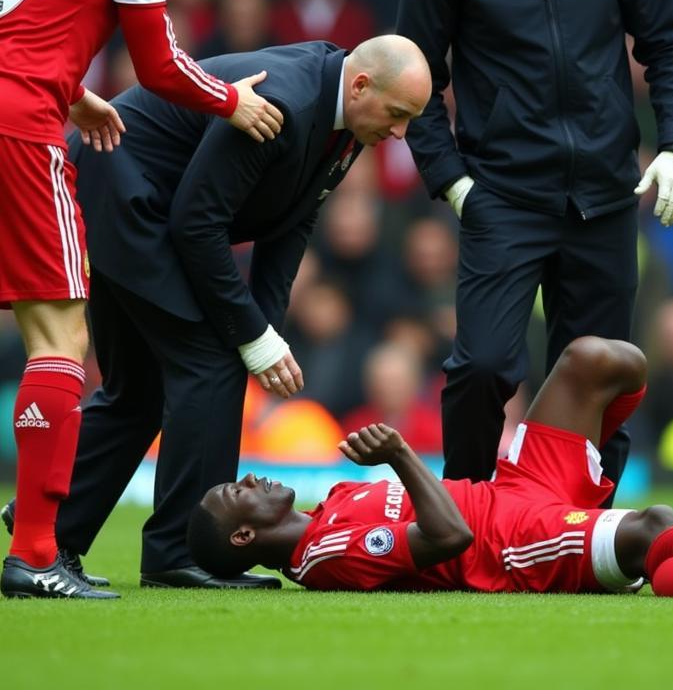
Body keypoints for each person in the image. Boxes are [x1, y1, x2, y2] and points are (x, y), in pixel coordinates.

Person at [2, 36, 431, 597]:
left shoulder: (348, 121)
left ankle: (49, 528)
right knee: (212, 363)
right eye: (397, 115)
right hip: (126, 201)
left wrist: (267, 333)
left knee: (140, 390)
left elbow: (291, 223)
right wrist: (249, 337)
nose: (399, 133)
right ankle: (179, 551)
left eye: (409, 121)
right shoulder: (287, 102)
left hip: (143, 205)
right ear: (360, 86)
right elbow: (196, 223)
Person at [0, 0, 285, 601]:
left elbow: (19, 28)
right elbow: (159, 65)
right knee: (60, 335)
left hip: (22, 105)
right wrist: (230, 100)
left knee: (50, 333)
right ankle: (34, 555)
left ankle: (41, 541)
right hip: (19, 133)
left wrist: (79, 95)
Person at [395, 0, 673, 493]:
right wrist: (453, 181)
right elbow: (411, 80)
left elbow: (669, 43)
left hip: (605, 194)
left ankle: (582, 525)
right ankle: (468, 510)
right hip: (501, 195)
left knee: (599, 371)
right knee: (482, 368)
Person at [189, 336, 673, 598]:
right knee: (654, 523)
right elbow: (452, 536)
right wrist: (398, 454)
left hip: (518, 487)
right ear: (244, 535)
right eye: (233, 493)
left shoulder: (337, 501)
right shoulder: (325, 557)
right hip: (513, 542)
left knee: (598, 360)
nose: (247, 478)